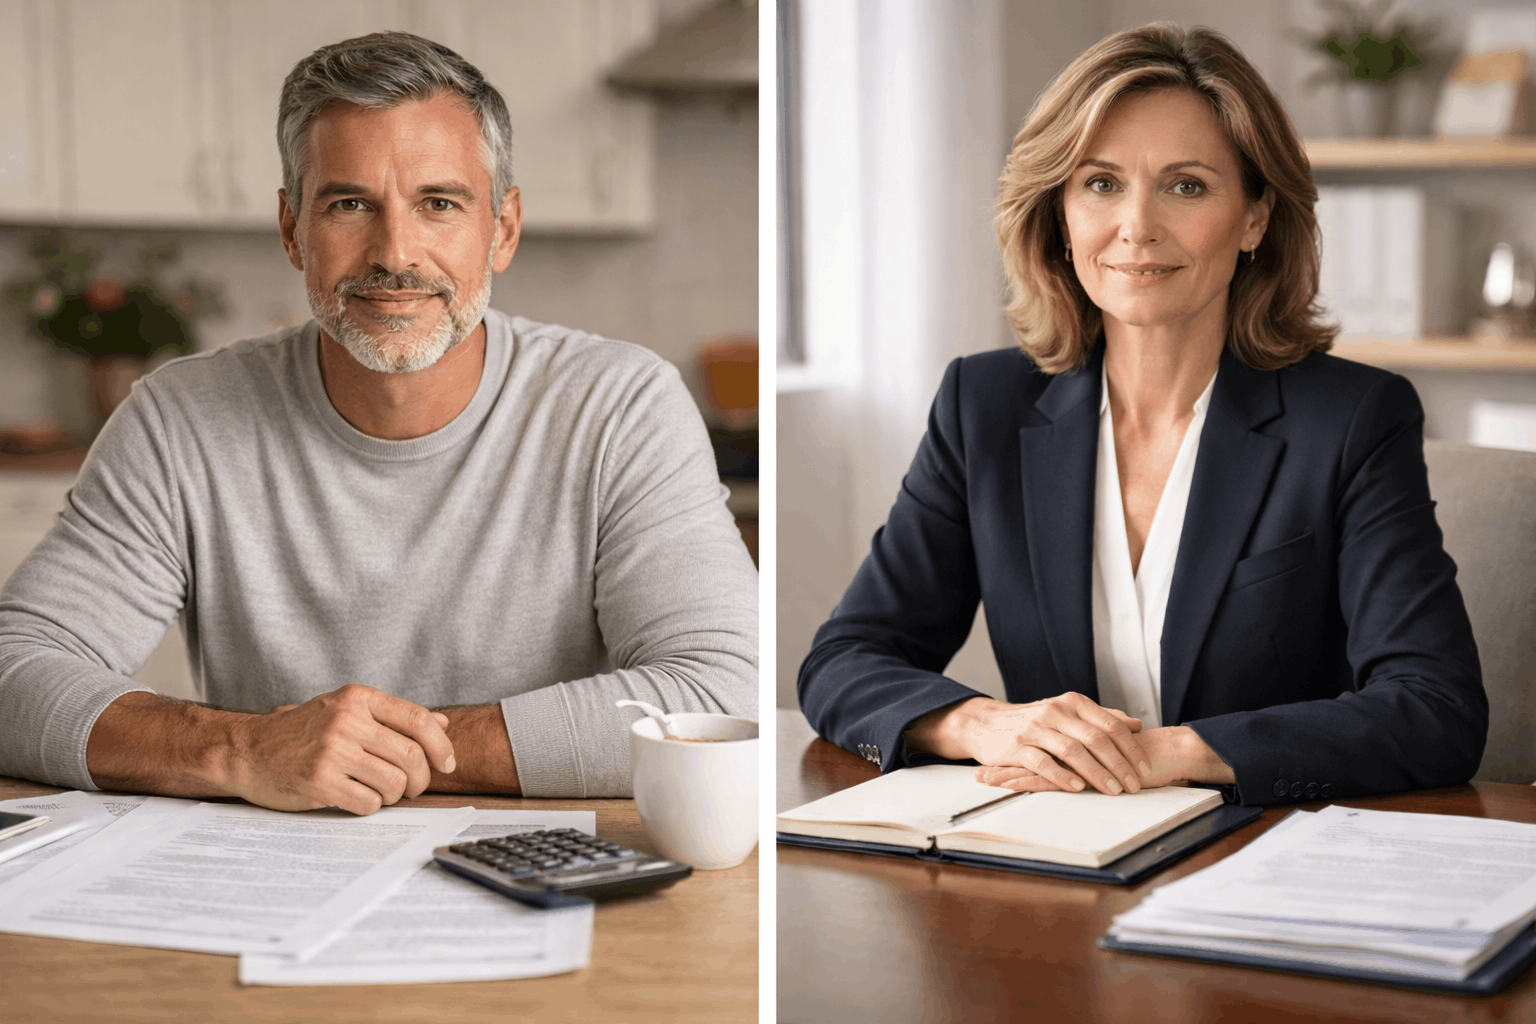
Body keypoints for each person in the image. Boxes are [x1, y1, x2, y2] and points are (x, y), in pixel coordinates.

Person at [0, 32, 757, 814]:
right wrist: (245, 750)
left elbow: (723, 691)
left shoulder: (620, 405)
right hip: (271, 882)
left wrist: (372, 753)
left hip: (553, 878)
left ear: (501, 228)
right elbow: (14, 671)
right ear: (293, 229)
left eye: (439, 203)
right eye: (349, 204)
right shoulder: (180, 421)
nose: (395, 253)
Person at [797, 24, 1485, 805]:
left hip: (1263, 854)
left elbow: (1437, 710)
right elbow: (845, 659)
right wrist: (988, 725)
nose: (1137, 226)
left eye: (1186, 185)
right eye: (1100, 183)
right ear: (1059, 213)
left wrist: (1174, 753)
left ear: (1255, 217)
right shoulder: (981, 407)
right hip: (1053, 861)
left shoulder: (1355, 420)